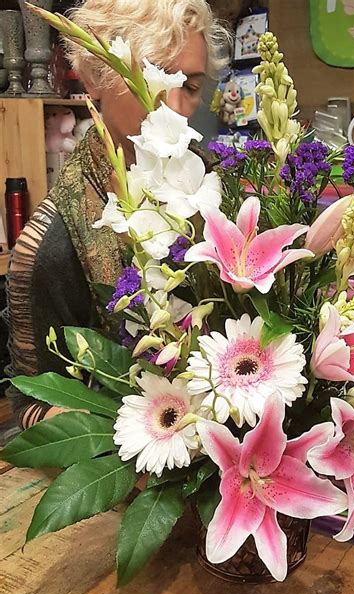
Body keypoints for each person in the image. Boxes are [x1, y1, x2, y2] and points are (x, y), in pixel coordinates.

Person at [6, 0, 230, 429]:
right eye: (154, 78)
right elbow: (31, 408)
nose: (179, 108)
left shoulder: (219, 189)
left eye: (192, 84)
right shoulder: (52, 244)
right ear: (94, 77)